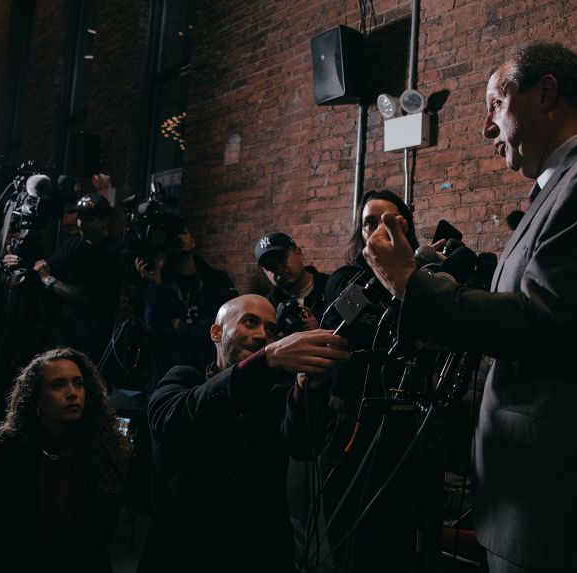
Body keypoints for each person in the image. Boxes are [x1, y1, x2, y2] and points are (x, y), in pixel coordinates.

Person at [362, 42, 577, 572]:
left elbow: (543, 324)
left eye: (495, 104)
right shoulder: (562, 187)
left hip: (571, 506)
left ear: (546, 93)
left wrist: (410, 283)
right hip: (543, 496)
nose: (488, 128)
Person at [138, 294, 349, 572]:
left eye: (271, 330)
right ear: (216, 332)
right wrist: (268, 359)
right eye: (250, 322)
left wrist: (310, 386)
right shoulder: (182, 380)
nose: (262, 335)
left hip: (260, 556)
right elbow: (176, 419)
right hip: (186, 553)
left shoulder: (276, 397)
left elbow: (302, 445)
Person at [319, 190, 444, 573]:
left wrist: (417, 278)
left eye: (391, 221)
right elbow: (346, 326)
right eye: (369, 222)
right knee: (351, 532)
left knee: (402, 532)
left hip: (406, 417)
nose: (378, 228)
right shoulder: (346, 278)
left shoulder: (425, 280)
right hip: (353, 417)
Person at [0, 347, 131, 572]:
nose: (72, 393)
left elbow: (99, 537)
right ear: (35, 399)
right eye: (58, 385)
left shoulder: (102, 449)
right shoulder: (6, 449)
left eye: (78, 383)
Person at [4, 186, 123, 359]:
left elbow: (87, 297)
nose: (82, 223)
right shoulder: (72, 244)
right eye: (80, 218)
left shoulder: (113, 252)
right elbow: (43, 267)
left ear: (104, 221)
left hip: (92, 336)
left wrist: (49, 280)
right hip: (61, 332)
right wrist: (19, 262)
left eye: (89, 219)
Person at [136, 219, 238, 379]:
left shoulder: (216, 279)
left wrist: (181, 328)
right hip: (171, 372)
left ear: (193, 241)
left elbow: (227, 323)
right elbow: (156, 327)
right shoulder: (161, 282)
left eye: (182, 232)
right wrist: (156, 285)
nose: (178, 238)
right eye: (172, 235)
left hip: (210, 369)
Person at [254, 231, 330, 329]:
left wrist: (321, 329)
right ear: (264, 271)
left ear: (299, 253)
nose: (279, 269)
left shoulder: (331, 288)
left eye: (281, 259)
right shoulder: (268, 306)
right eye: (270, 266)